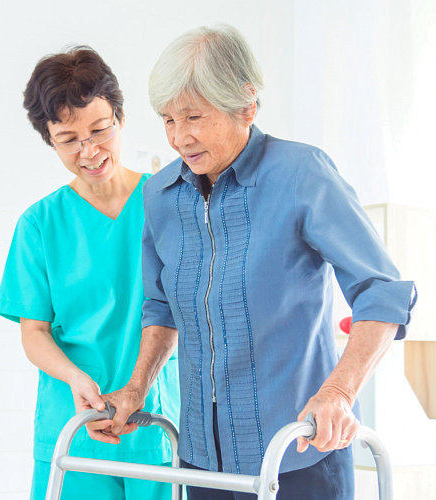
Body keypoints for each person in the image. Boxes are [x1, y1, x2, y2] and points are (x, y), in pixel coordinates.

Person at [86, 25, 417, 499]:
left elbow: (382, 291)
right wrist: (137, 387)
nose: (180, 137)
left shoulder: (302, 174)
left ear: (247, 104)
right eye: (168, 120)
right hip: (202, 462)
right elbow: (160, 308)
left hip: (299, 452)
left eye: (194, 117)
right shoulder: (160, 196)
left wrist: (339, 393)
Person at [0, 46, 180, 500]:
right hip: (74, 426)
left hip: (154, 422)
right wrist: (77, 379)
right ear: (49, 139)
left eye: (100, 130)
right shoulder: (39, 224)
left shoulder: (169, 204)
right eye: (69, 139)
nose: (90, 151)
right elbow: (33, 332)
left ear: (119, 117)